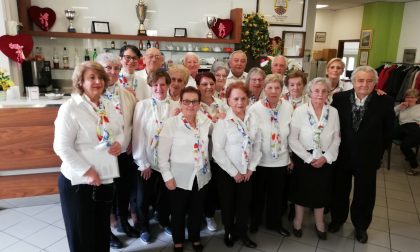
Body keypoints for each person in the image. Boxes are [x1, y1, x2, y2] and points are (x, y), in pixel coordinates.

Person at [54, 62, 124, 252]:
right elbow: (61, 147)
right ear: (80, 82)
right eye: (91, 77)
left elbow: (119, 131)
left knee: (101, 232)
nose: (98, 81)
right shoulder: (70, 108)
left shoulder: (108, 105)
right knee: (81, 235)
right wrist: (87, 171)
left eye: (101, 77)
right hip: (78, 182)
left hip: (105, 177)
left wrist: (119, 143)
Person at [329, 66, 395, 243]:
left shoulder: (385, 101)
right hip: (342, 155)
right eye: (360, 80)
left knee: (364, 194)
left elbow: (389, 132)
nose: (364, 84)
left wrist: (378, 154)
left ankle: (360, 226)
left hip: (368, 158)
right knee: (339, 191)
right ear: (353, 82)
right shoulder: (339, 99)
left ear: (375, 82)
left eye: (369, 81)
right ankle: (337, 220)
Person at [158, 87, 212, 252]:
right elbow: (162, 155)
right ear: (180, 103)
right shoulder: (171, 124)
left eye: (194, 101)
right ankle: (178, 240)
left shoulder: (205, 121)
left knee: (197, 209)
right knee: (178, 211)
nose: (190, 105)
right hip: (179, 176)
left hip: (201, 174)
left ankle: (195, 237)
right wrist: (167, 176)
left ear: (199, 103)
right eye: (186, 101)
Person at [288, 77, 341, 240]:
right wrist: (308, 158)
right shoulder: (300, 111)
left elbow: (337, 138)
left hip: (325, 158)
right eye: (316, 91)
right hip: (304, 158)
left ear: (328, 94)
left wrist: (326, 157)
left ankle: (319, 223)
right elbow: (293, 139)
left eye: (324, 91)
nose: (320, 94)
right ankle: (298, 221)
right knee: (301, 191)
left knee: (322, 192)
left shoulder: (333, 112)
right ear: (309, 93)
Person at [96, 53, 139, 248]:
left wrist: (130, 144)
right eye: (108, 68)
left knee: (123, 191)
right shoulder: (93, 95)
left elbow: (132, 123)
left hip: (123, 152)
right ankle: (105, 233)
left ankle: (123, 222)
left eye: (115, 68)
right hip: (102, 155)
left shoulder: (127, 94)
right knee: (106, 195)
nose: (113, 72)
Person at [212, 82, 262, 248]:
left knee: (244, 203)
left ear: (248, 99)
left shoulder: (253, 119)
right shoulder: (223, 122)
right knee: (228, 204)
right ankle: (228, 231)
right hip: (227, 172)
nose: (239, 103)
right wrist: (234, 173)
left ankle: (242, 232)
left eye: (243, 98)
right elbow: (217, 151)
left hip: (247, 171)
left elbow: (257, 145)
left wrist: (250, 168)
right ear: (228, 101)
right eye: (235, 99)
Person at [132, 69, 179, 243]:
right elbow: (138, 134)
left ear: (168, 85)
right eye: (155, 84)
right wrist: (142, 162)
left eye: (163, 84)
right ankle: (144, 225)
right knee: (143, 197)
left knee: (166, 195)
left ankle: (164, 219)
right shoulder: (142, 105)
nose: (159, 88)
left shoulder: (176, 106)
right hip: (147, 161)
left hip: (167, 162)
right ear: (151, 86)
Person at [248, 74, 293, 237]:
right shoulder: (254, 109)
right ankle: (255, 221)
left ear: (282, 89)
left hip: (280, 160)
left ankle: (275, 223)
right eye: (270, 88)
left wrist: (289, 157)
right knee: (257, 194)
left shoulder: (287, 107)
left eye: (277, 88)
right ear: (264, 89)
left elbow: (290, 135)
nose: (273, 91)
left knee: (277, 195)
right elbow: (251, 137)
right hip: (260, 161)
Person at [195, 72, 227, 232]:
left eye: (211, 84)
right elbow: (199, 128)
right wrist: (215, 122)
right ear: (198, 86)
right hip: (201, 154)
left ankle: (209, 215)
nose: (208, 87)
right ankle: (197, 216)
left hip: (219, 154)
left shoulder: (222, 104)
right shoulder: (194, 104)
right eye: (204, 84)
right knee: (201, 187)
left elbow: (228, 125)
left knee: (213, 187)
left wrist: (217, 123)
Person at [394, 88, 420, 175]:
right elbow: (390, 114)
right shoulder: (402, 106)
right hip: (403, 128)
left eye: (413, 97)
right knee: (385, 135)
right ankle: (378, 158)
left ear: (417, 98)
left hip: (416, 128)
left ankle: (415, 167)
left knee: (405, 146)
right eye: (408, 97)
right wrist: (399, 107)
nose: (410, 99)